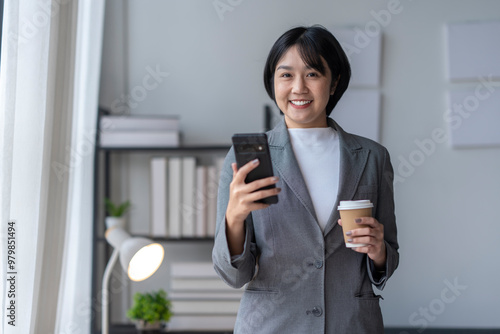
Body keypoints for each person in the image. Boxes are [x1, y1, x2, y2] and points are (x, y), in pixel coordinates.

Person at [212, 25, 399, 334]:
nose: (298, 87)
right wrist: (234, 218)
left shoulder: (372, 157)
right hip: (272, 325)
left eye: (312, 74)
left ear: (334, 81)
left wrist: (379, 251)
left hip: (351, 324)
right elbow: (233, 275)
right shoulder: (247, 157)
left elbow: (387, 257)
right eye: (286, 75)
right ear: (272, 82)